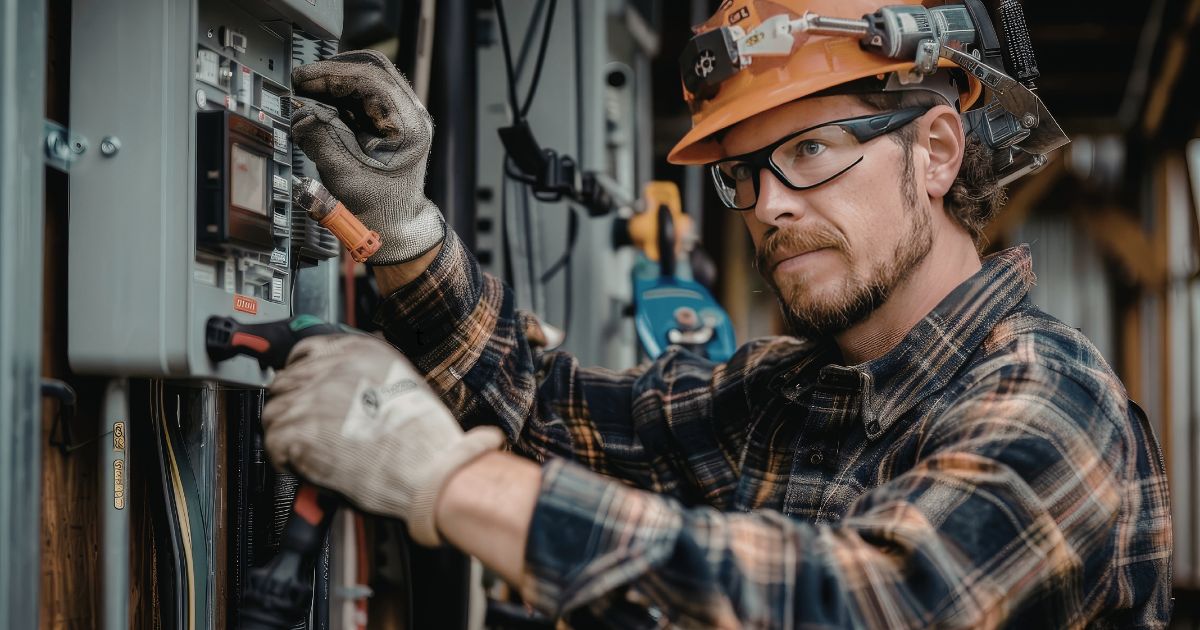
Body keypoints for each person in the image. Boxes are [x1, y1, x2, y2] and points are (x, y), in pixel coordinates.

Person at [266, 1, 1172, 626]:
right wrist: (403, 231)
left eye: (810, 148)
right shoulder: (784, 396)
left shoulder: (1054, 404)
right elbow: (543, 409)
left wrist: (448, 482)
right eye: (743, 172)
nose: (767, 205)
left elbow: (874, 608)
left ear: (935, 151)